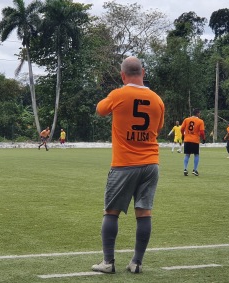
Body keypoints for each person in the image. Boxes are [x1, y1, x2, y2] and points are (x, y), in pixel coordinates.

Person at [92, 56, 165, 274]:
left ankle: (108, 262)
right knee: (144, 213)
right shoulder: (157, 99)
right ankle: (136, 263)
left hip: (124, 163)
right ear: (143, 72)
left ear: (122, 75)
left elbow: (100, 109)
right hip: (151, 163)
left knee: (111, 212)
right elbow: (157, 128)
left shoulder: (118, 94)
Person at [180, 109, 205, 176]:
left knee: (187, 154)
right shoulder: (200, 121)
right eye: (199, 113)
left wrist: (183, 135)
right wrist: (203, 138)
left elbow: (181, 129)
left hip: (187, 139)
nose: (200, 114)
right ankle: (195, 170)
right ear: (197, 113)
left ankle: (185, 169)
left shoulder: (186, 119)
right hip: (195, 140)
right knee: (196, 154)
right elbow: (202, 132)